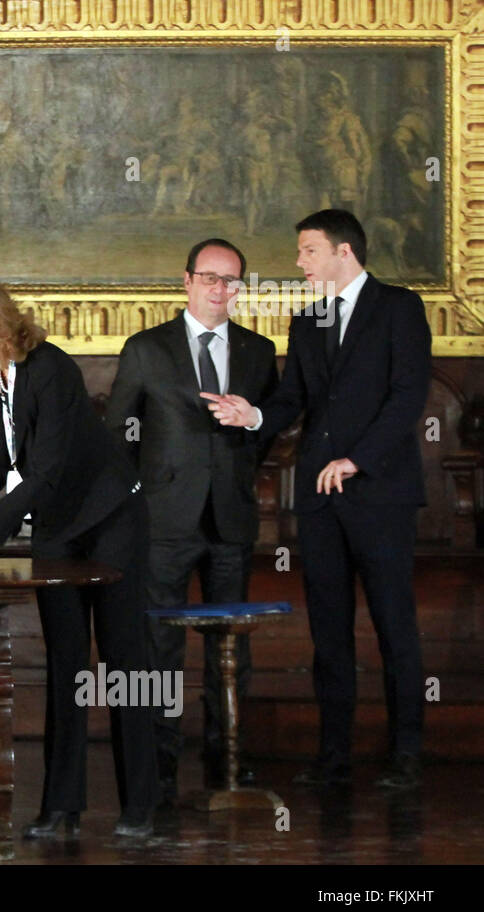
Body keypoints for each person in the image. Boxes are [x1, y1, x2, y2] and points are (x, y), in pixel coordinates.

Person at [0, 272, 159, 837]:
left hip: (111, 518)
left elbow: (47, 470)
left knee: (126, 663)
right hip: (58, 525)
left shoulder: (52, 368)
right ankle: (61, 809)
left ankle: (141, 807)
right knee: (66, 664)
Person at [201, 209, 431, 790]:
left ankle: (406, 756)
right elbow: (291, 401)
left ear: (343, 252)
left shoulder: (400, 308)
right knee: (328, 632)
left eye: (308, 251)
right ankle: (334, 759)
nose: (299, 263)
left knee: (393, 626)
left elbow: (407, 396)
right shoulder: (308, 322)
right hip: (321, 501)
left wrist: (356, 460)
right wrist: (251, 414)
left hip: (380, 494)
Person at [105, 238, 279, 805]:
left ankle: (227, 758)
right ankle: (158, 764)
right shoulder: (146, 348)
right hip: (163, 520)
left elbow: (273, 427)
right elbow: (118, 434)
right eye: (209, 276)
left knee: (232, 647)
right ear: (186, 281)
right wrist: (138, 497)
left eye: (230, 280)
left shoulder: (259, 350)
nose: (218, 288)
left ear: (240, 288)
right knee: (160, 645)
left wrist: (251, 423)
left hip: (231, 516)